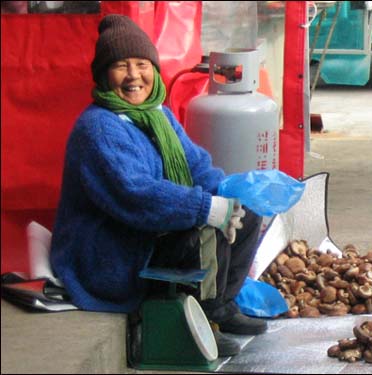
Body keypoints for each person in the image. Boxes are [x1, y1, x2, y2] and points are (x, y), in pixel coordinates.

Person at [49, 14, 267, 357]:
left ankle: (221, 303)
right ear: (104, 75)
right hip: (110, 249)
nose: (134, 76)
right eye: (121, 65)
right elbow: (135, 195)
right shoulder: (98, 129)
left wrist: (228, 196)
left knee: (247, 214)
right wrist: (206, 207)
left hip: (149, 229)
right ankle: (200, 317)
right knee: (204, 230)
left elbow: (195, 164)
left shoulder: (158, 114)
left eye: (142, 64)